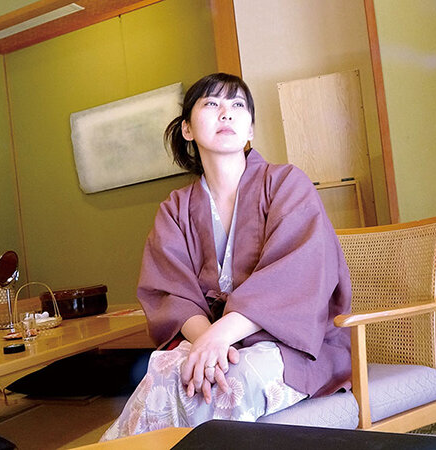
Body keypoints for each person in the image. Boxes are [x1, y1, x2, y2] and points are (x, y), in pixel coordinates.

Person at [101, 73, 351, 440]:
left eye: (237, 105)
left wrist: (219, 338)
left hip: (295, 345)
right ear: (187, 129)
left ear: (250, 128)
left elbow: (298, 275)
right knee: (164, 372)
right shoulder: (175, 209)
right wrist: (208, 344)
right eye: (211, 104)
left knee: (231, 383)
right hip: (214, 340)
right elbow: (170, 292)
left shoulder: (286, 184)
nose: (226, 113)